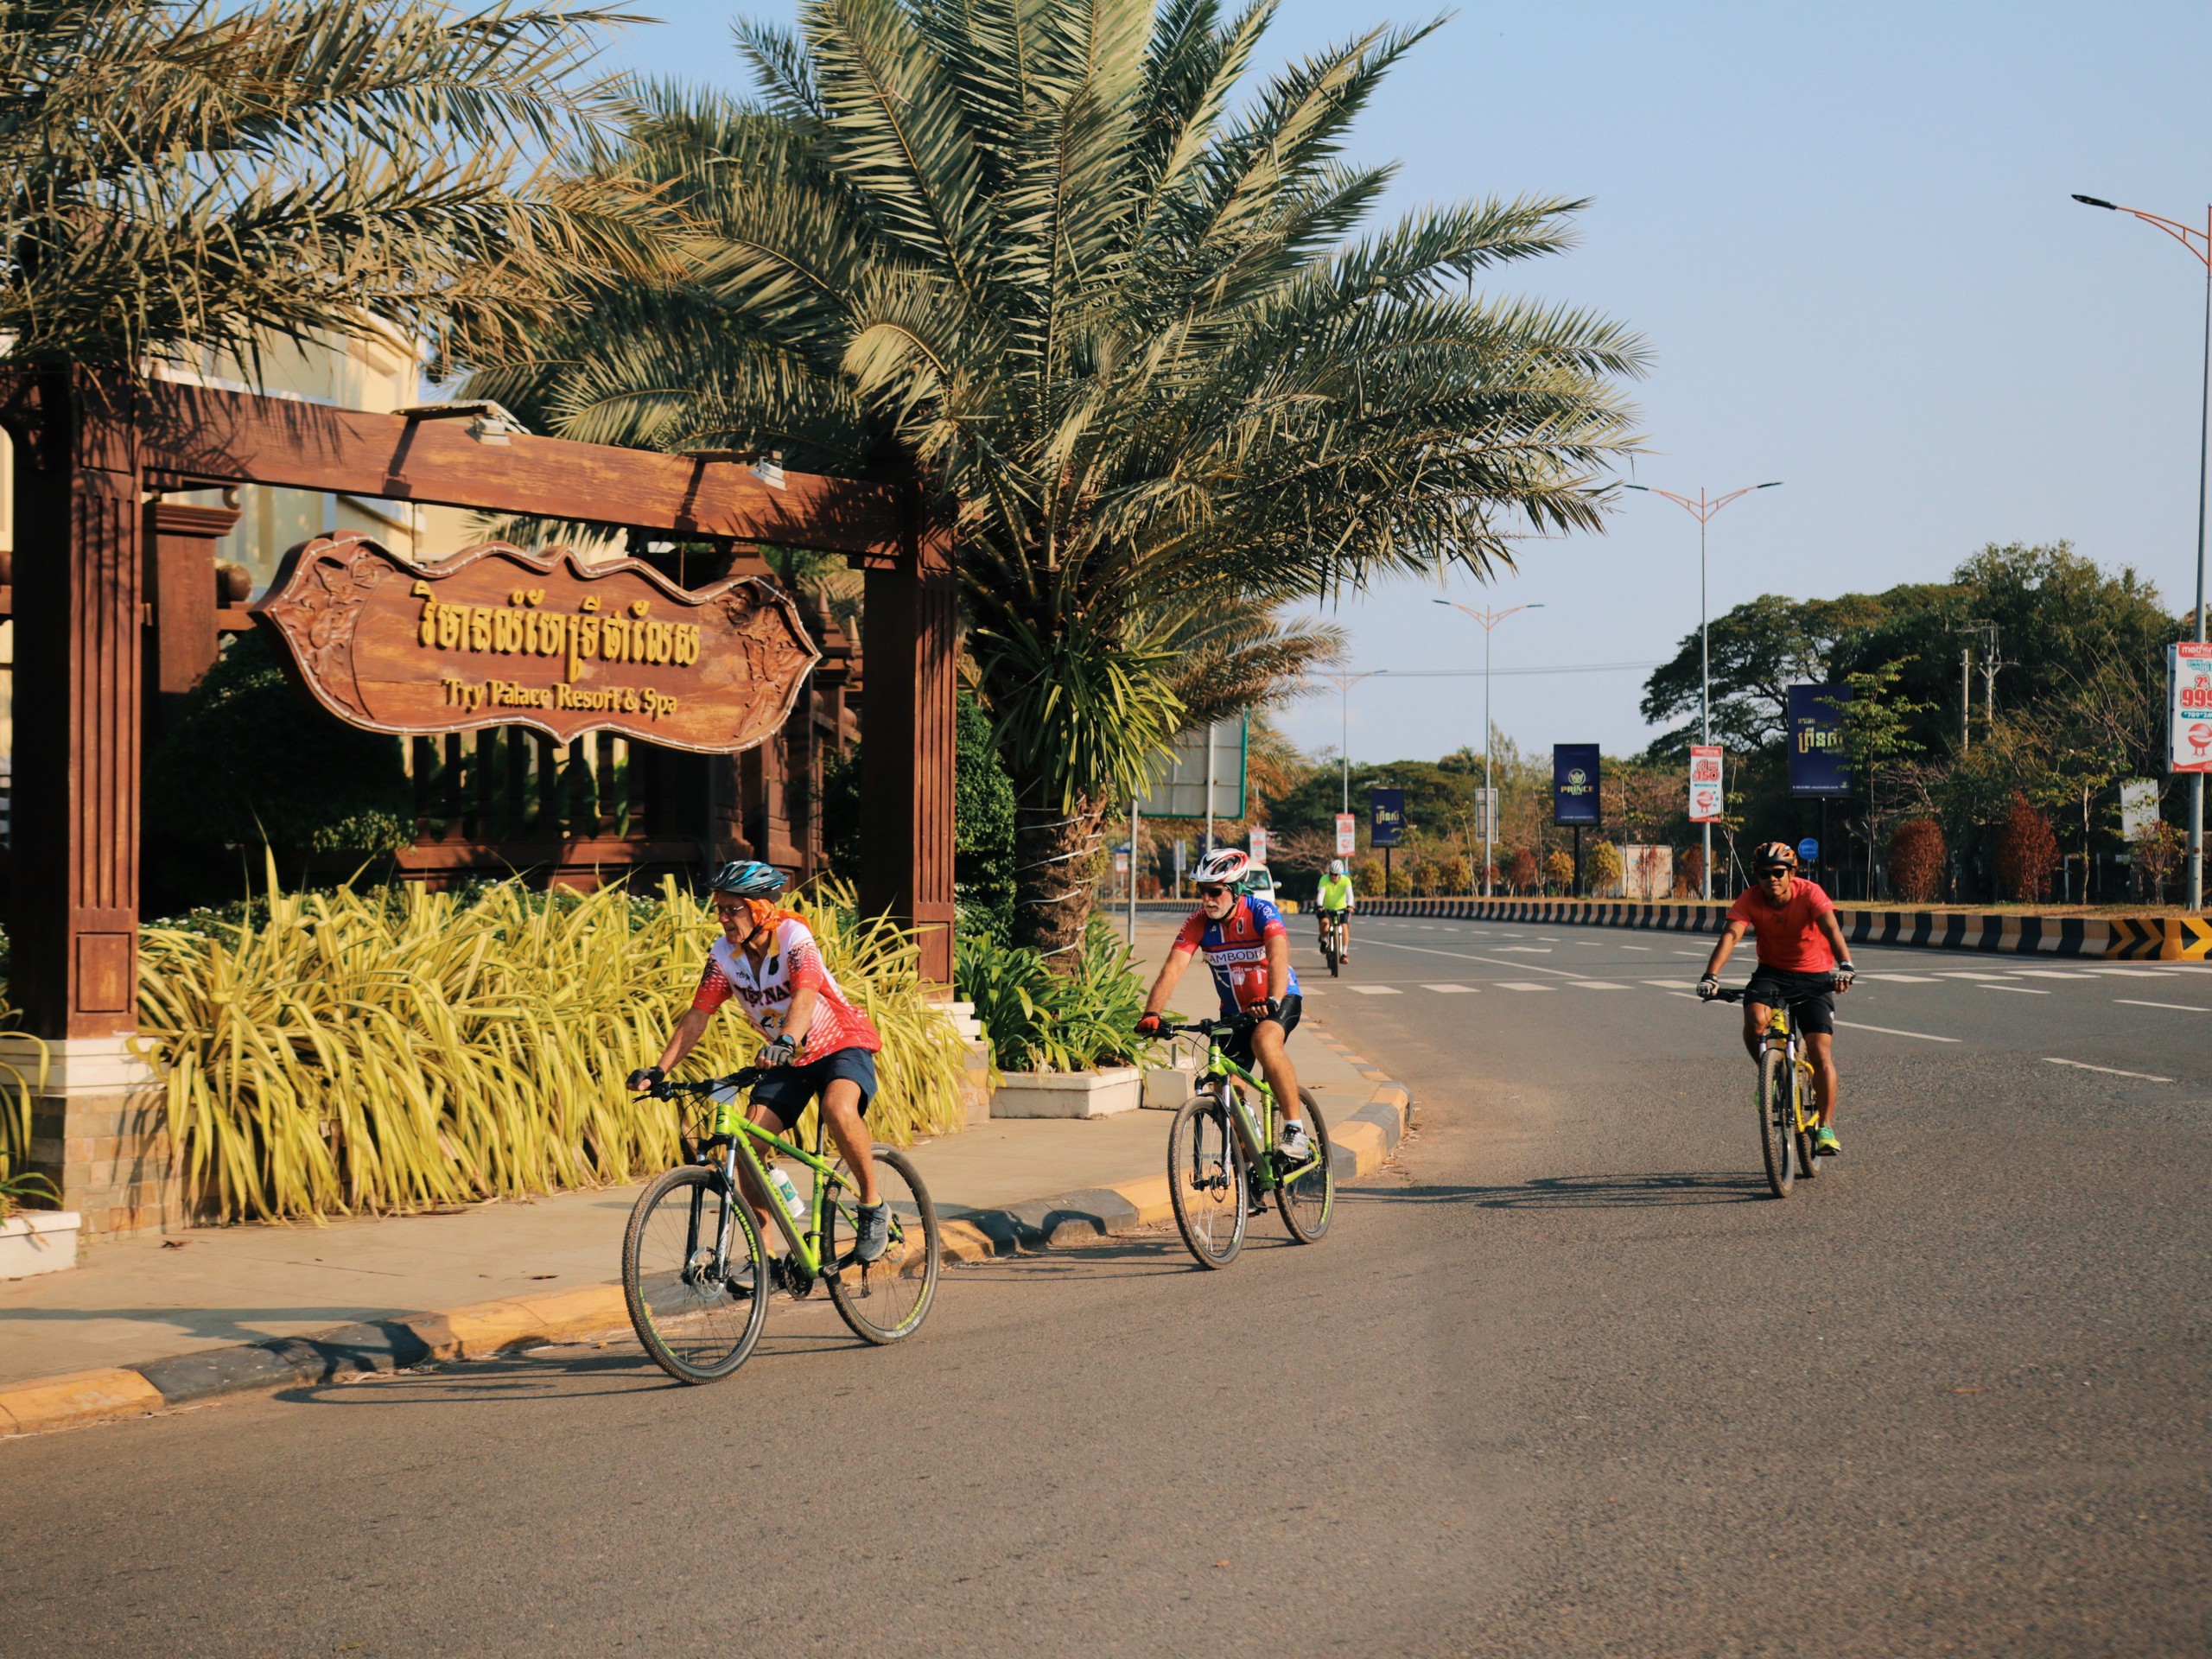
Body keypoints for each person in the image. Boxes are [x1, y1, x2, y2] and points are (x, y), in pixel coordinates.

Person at [628, 860, 891, 1262]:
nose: (722, 918)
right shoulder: (724, 955)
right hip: (786, 1059)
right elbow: (699, 1013)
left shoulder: (793, 937)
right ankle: (763, 1259)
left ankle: (873, 1206)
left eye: (732, 908)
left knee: (838, 1108)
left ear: (761, 907)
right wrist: (660, 1069)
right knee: (746, 1147)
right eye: (719, 908)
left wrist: (786, 1037)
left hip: (839, 1043)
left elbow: (805, 992)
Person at [1136, 847, 1313, 1163]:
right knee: (1225, 1092)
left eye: (1215, 892)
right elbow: (1173, 968)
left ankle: (1295, 1131)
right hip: (1235, 1012)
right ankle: (1251, 1169)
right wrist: (1153, 1012)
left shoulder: (1261, 911)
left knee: (1264, 1041)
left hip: (1279, 997)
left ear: (1234, 890)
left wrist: (1272, 998)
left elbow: (1277, 956)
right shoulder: (1198, 923)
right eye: (1202, 892)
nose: (1207, 899)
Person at [1697, 842, 1857, 1154]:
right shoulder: (1750, 898)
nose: (1772, 879)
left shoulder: (1810, 893)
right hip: (1772, 972)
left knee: (1821, 1052)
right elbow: (1731, 935)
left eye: (1779, 872)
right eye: (1764, 873)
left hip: (1815, 974)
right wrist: (1711, 975)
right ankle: (1769, 1078)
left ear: (1792, 873)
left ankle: (1825, 1128)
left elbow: (1831, 929)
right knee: (1755, 1021)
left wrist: (1846, 966)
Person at [1315, 857, 1357, 960]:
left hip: (1342, 908)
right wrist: (1320, 906)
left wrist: (1350, 905)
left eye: (1336, 875)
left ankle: (1344, 953)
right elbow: (1320, 895)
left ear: (1340, 875)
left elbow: (1350, 895)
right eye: (1331, 874)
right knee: (1325, 924)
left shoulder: (1346, 881)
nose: (1333, 877)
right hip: (1327, 909)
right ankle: (1324, 939)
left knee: (1344, 927)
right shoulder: (1324, 879)